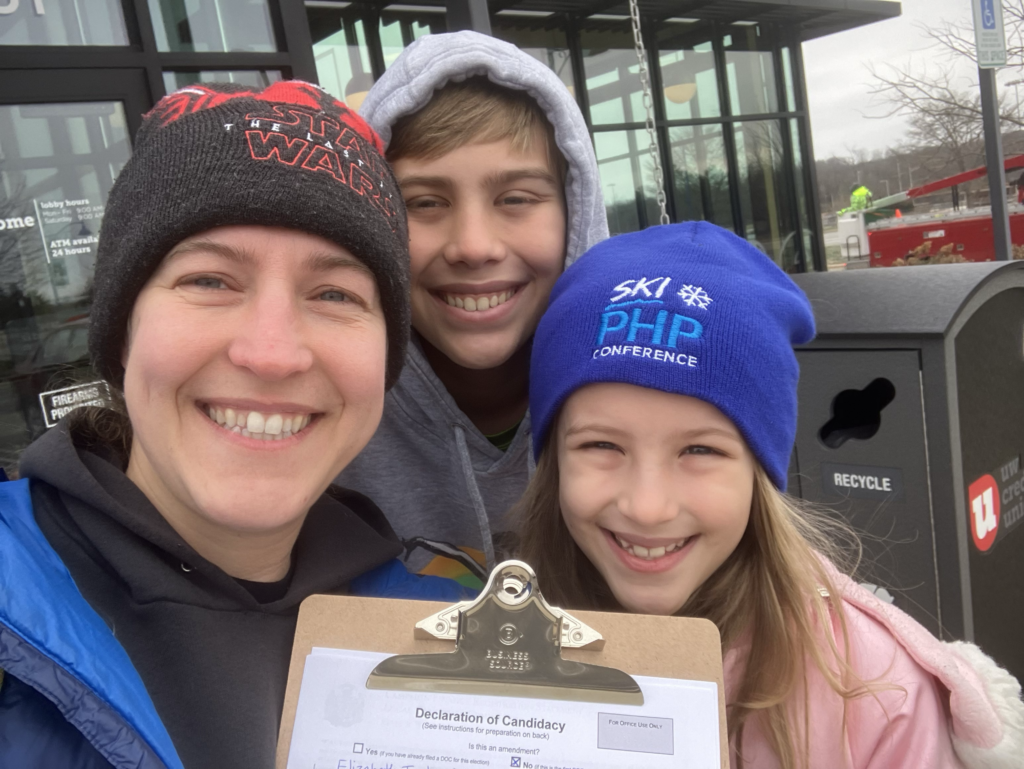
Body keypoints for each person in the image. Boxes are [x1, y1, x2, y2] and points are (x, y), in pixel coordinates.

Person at [0, 81, 466, 769]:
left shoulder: (446, 626)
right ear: (123, 330)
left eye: (335, 293)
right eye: (210, 281)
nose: (272, 353)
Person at [515, 222, 1024, 768]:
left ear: (760, 470)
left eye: (700, 451)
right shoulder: (491, 648)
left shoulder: (876, 693)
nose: (648, 506)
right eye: (601, 445)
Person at [337, 31, 608, 588]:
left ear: (575, 213)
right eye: (424, 203)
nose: (473, 245)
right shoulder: (326, 414)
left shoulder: (648, 388)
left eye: (516, 199)